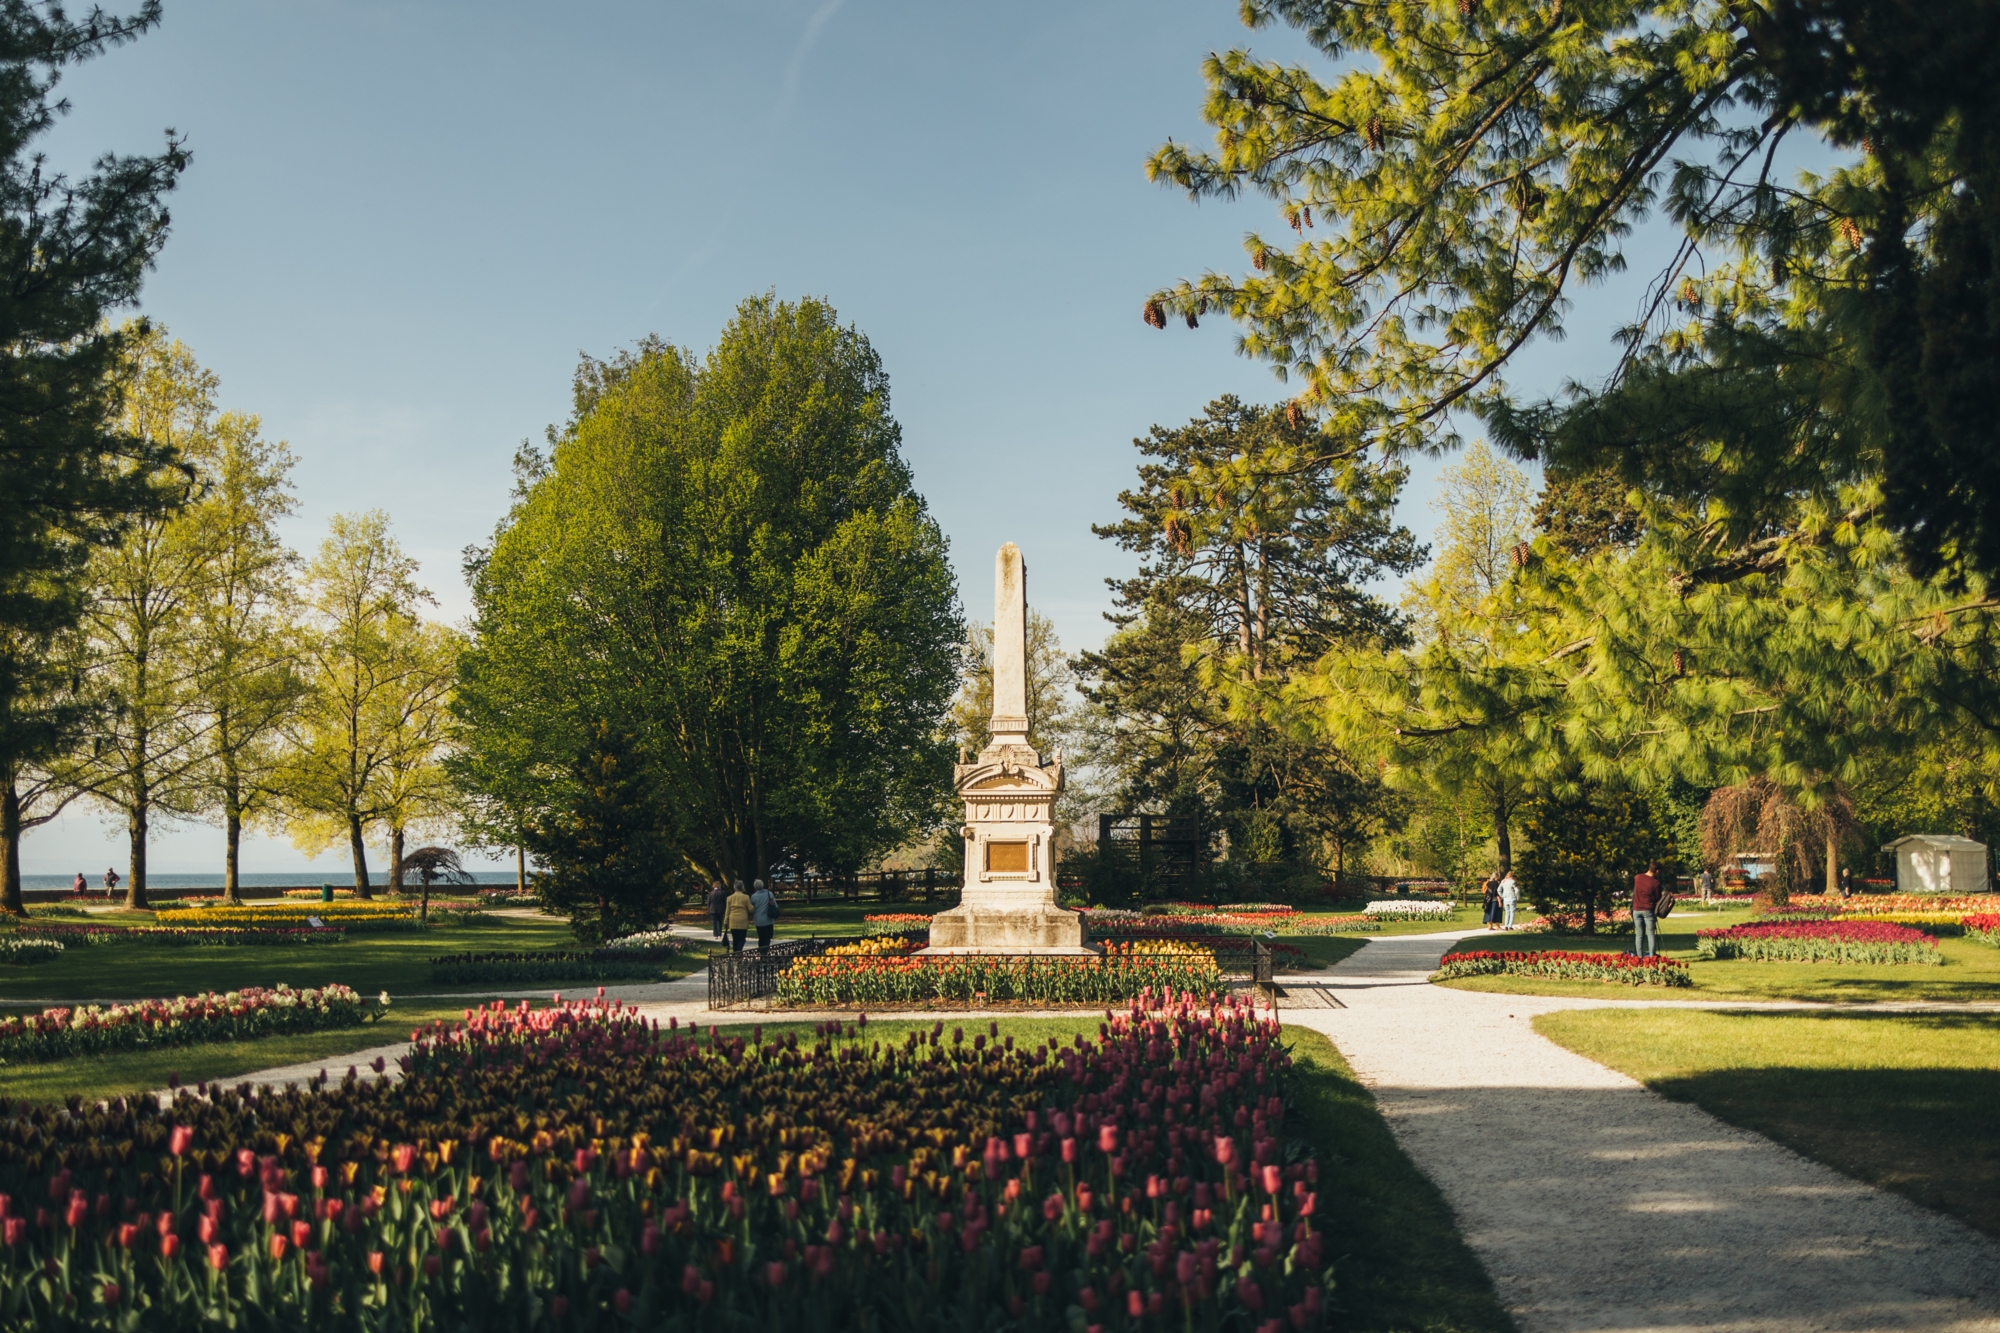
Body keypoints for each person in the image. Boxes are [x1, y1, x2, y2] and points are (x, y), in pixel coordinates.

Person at [1632, 862, 1663, 958]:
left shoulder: (1637, 878)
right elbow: (1658, 898)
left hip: (1636, 909)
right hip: (1648, 909)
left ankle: (1639, 956)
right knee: (1650, 934)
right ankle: (1652, 955)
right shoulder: (1655, 883)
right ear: (1657, 871)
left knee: (1639, 934)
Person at [723, 881, 752, 954]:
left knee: (735, 938)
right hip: (742, 919)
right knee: (742, 938)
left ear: (734, 888)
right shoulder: (746, 897)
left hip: (733, 920)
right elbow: (751, 909)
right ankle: (739, 952)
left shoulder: (729, 898)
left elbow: (727, 911)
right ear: (742, 887)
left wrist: (726, 921)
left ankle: (735, 952)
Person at [749, 878, 778, 954]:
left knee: (761, 937)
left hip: (758, 919)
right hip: (768, 919)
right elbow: (775, 905)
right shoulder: (769, 894)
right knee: (768, 937)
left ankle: (761, 951)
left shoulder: (753, 896)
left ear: (755, 887)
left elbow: (752, 907)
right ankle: (765, 951)